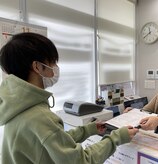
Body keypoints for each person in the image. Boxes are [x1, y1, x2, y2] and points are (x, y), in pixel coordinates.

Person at [0, 32, 139, 164]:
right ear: (37, 67)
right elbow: (82, 161)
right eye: (52, 62)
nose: (55, 68)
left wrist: (89, 129)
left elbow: (54, 140)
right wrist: (117, 137)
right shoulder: (40, 116)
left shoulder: (14, 107)